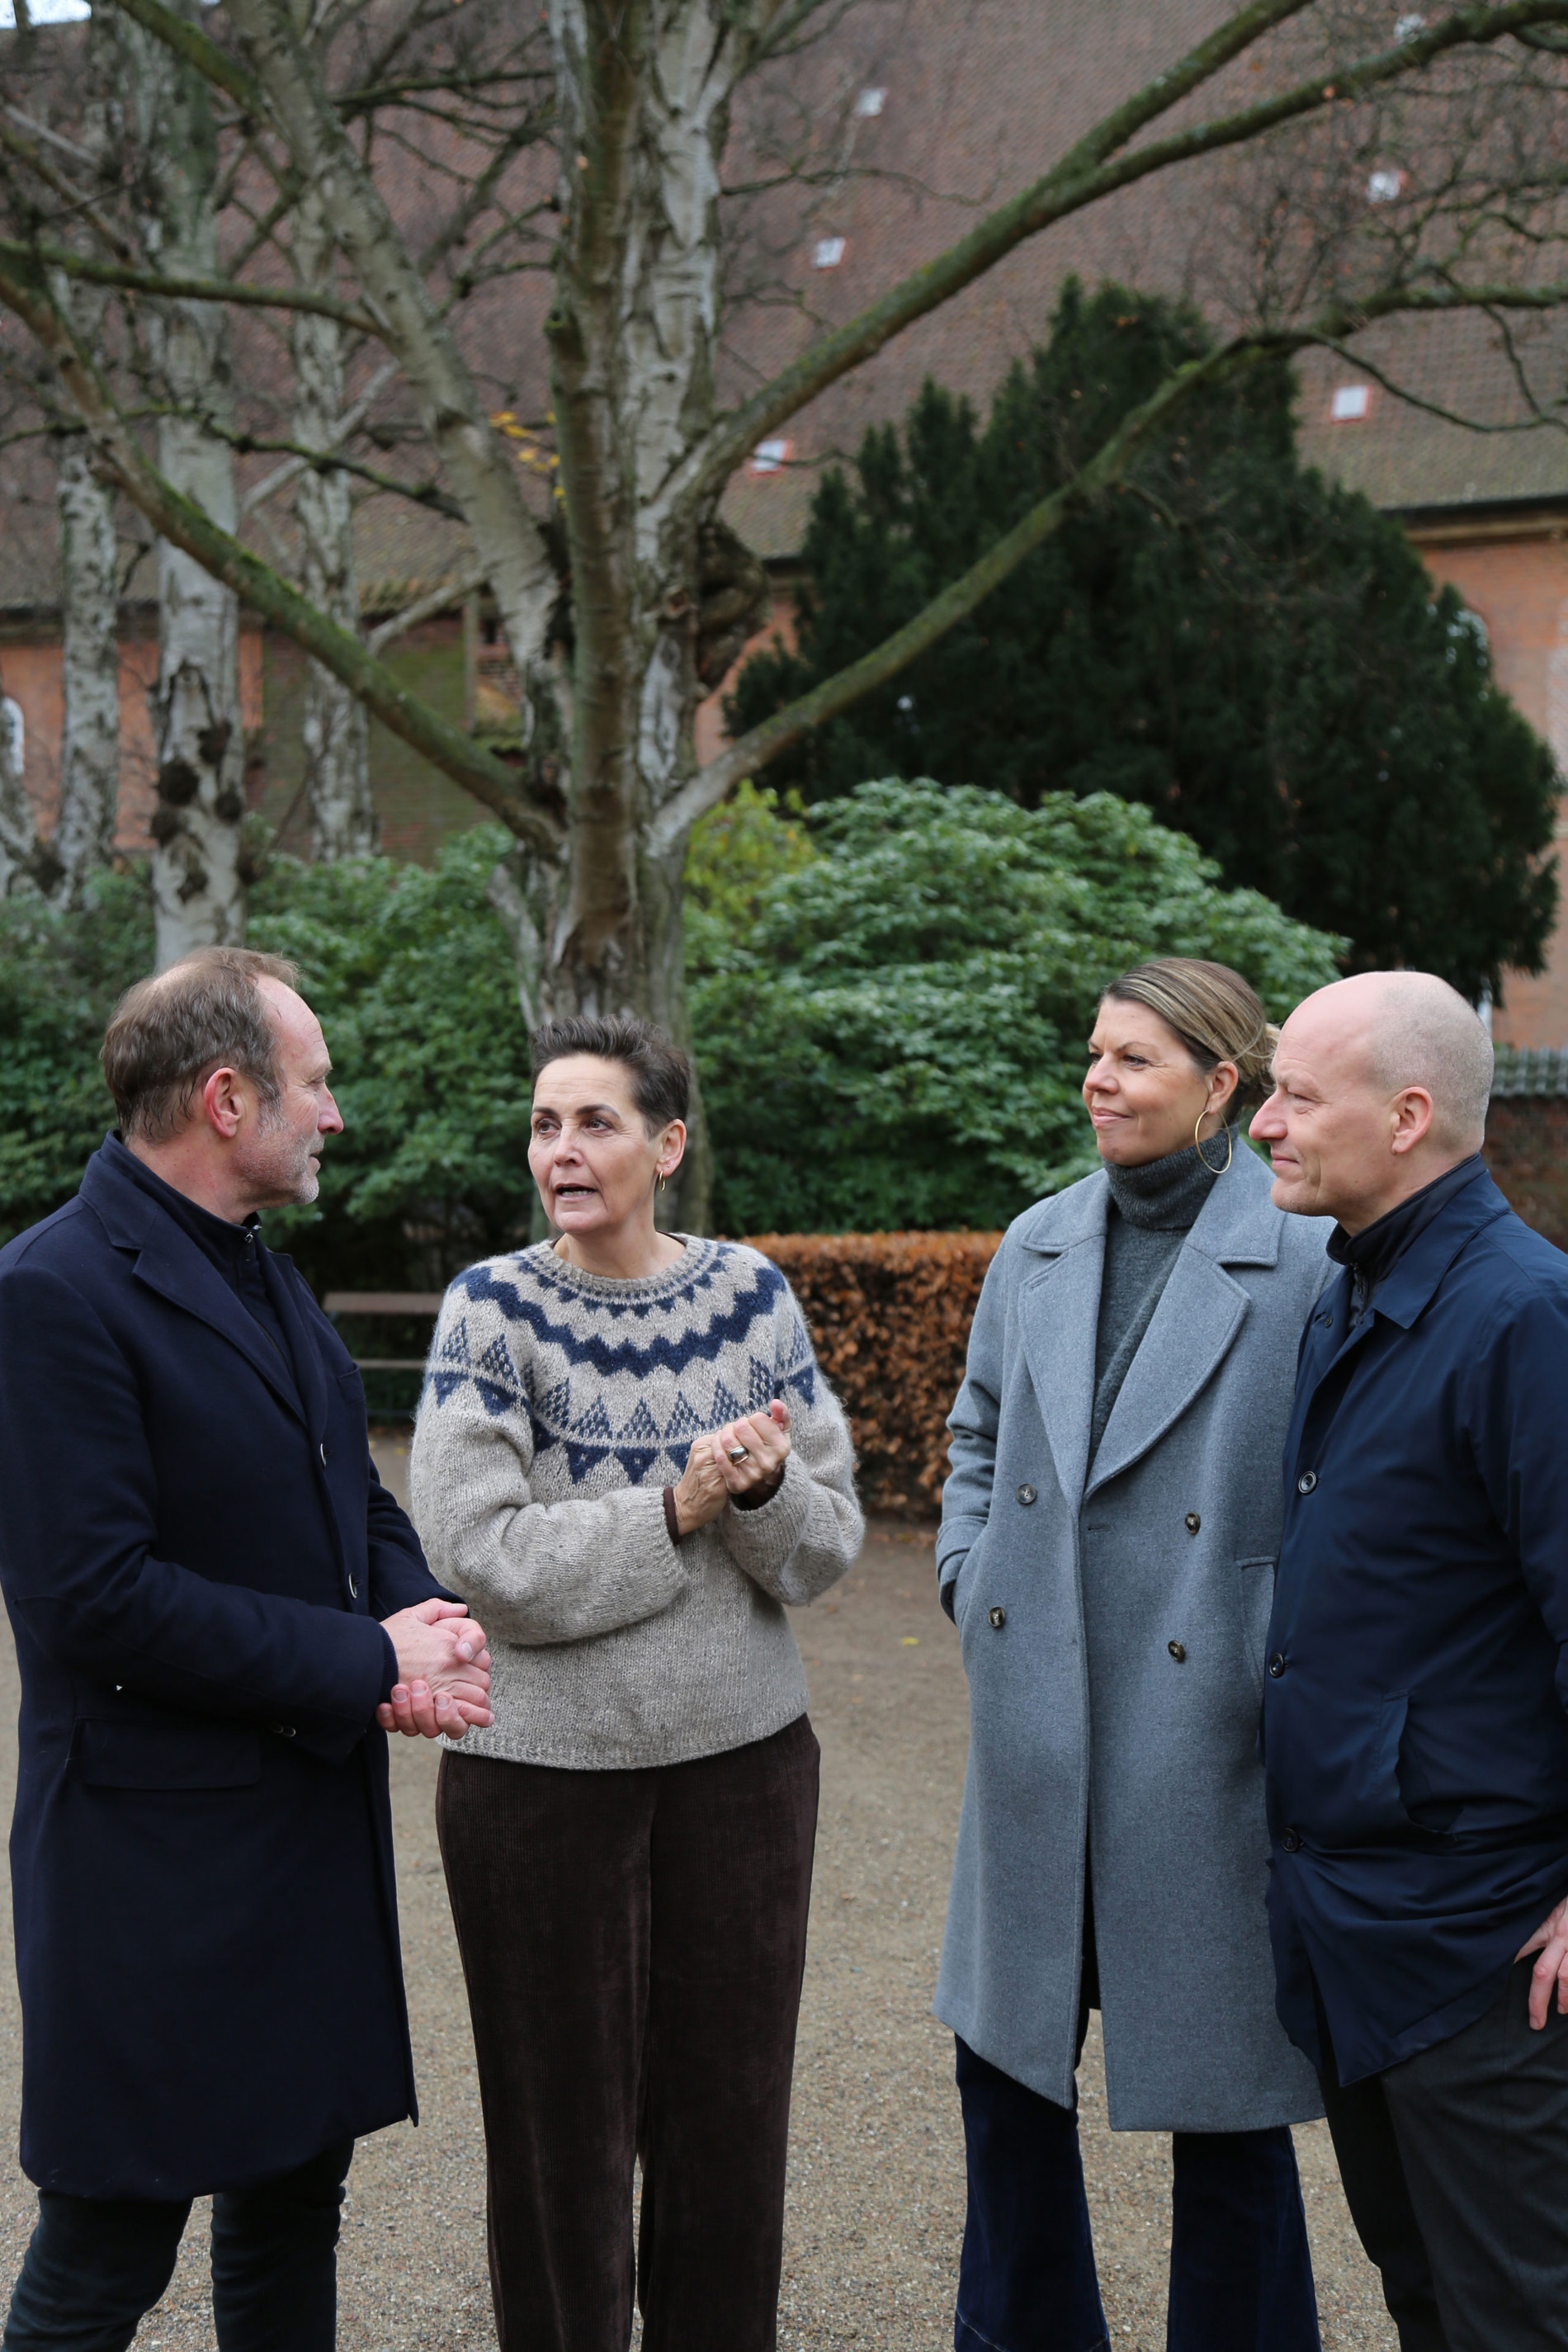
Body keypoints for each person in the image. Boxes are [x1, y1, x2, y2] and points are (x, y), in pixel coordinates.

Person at [0, 946, 492, 2352]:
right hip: (152, 1869)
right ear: (228, 1097)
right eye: (315, 1083)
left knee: (292, 2210)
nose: (333, 1113)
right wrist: (364, 1661)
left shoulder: (269, 1280)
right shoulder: (50, 1291)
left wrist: (427, 1622)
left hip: (295, 1844)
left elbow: (355, 1493)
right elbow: (92, 1597)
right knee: (108, 2240)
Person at [409, 1012, 862, 2352]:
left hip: (745, 1776)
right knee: (561, 2150)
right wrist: (675, 1507)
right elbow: (479, 1554)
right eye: (546, 1122)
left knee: (732, 2135)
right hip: (539, 1793)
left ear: (668, 1142)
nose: (563, 1147)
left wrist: (764, 1490)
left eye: (595, 1120)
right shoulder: (490, 1308)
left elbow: (828, 1544)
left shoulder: (754, 1298)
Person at [937, 956, 1333, 2352]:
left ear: (1223, 1084)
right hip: (1038, 1716)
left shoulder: (1303, 1253)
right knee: (1007, 2084)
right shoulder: (1037, 1240)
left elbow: (1343, 1481)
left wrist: (1268, 1645)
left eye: (1135, 1059)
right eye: (1095, 1053)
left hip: (1203, 1729)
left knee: (1227, 2107)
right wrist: (967, 1570)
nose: (1098, 1079)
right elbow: (976, 1430)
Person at [1254, 969, 1568, 2352]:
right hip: (1358, 1933)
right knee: (1429, 2307)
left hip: (1487, 1945)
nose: (1263, 1120)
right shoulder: (1350, 1289)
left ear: (1410, 1115)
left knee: (1523, 2317)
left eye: (1296, 1094)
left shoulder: (1526, 1316)